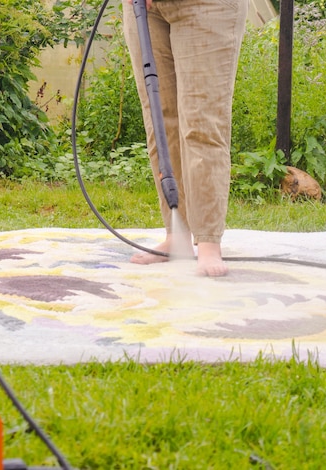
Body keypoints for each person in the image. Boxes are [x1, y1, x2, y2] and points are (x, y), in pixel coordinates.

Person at [123, 0, 248, 277]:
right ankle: (176, 235)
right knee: (161, 121)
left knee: (202, 122)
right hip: (145, 9)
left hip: (207, 6)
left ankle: (208, 242)